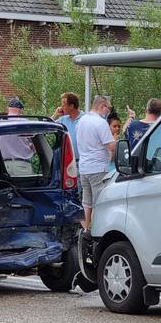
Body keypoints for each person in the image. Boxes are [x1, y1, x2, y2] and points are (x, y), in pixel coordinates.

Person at [76, 95, 116, 234]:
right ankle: (98, 233)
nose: (108, 111)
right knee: (100, 202)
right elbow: (111, 146)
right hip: (98, 168)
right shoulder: (100, 123)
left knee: (86, 202)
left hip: (84, 168)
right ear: (101, 106)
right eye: (108, 108)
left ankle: (85, 231)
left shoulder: (82, 121)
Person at [52, 92, 82, 162]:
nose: (61, 108)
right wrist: (55, 115)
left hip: (82, 162)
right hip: (68, 163)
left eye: (63, 105)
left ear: (71, 106)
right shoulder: (63, 120)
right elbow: (46, 126)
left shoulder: (85, 119)